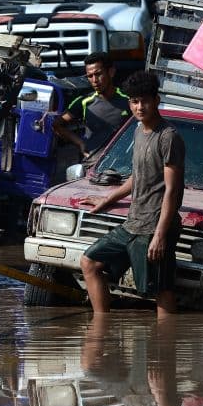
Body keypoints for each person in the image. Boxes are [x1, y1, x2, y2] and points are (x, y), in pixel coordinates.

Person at [80, 72, 185, 316]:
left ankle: (165, 348)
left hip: (154, 227)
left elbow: (172, 190)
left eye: (144, 101)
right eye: (134, 101)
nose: (139, 107)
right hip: (133, 223)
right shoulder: (139, 131)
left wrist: (160, 235)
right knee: (90, 262)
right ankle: (100, 329)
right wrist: (107, 199)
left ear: (156, 100)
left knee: (161, 290)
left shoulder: (168, 137)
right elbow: (138, 176)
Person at [53, 52, 130, 162]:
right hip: (90, 165)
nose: (94, 80)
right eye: (90, 76)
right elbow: (57, 125)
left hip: (121, 164)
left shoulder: (129, 101)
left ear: (111, 72)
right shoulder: (84, 102)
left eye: (98, 74)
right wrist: (80, 143)